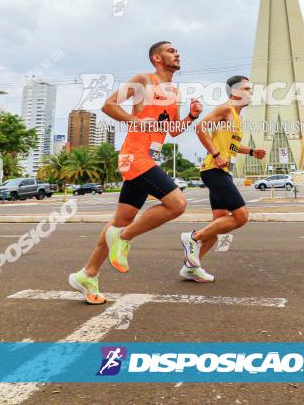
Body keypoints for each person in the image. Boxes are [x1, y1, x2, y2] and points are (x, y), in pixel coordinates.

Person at [69, 41, 203, 304]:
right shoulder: (144, 79)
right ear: (157, 57)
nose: (177, 53)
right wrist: (135, 121)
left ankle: (87, 274)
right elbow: (108, 105)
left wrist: (191, 116)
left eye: (177, 51)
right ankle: (125, 238)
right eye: (171, 50)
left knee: (121, 219)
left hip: (148, 157)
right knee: (177, 204)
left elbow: (173, 129)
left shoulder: (174, 91)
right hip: (134, 156)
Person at [180, 76, 266, 281]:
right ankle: (193, 238)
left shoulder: (237, 117)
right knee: (240, 216)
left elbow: (231, 146)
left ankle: (191, 266)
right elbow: (201, 128)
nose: (250, 92)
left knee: (219, 223)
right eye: (246, 89)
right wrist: (216, 154)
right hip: (213, 169)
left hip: (222, 171)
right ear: (235, 92)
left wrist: (251, 151)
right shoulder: (225, 108)